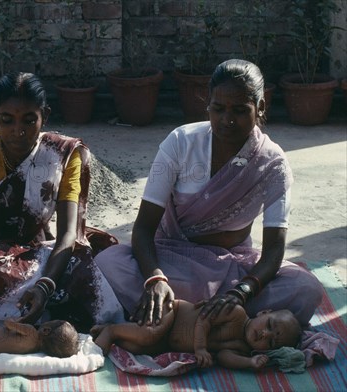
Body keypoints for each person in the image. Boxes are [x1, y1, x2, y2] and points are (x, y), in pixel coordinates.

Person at [94, 59, 323, 327]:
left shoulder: (273, 164)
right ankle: (223, 325)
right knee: (108, 262)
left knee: (306, 288)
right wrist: (155, 279)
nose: (227, 120)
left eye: (239, 110)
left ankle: (178, 322)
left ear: (260, 107)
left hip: (230, 270)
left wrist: (242, 292)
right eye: (218, 109)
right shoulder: (180, 143)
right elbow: (144, 228)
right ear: (208, 106)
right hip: (170, 259)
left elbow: (273, 249)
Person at [0, 72, 123, 336]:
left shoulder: (63, 155)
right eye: (7, 120)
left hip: (35, 254)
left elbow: (67, 234)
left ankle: (6, 316)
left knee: (81, 260)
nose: (18, 131)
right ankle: (32, 316)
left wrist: (44, 285)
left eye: (29, 121)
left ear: (45, 116)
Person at [90, 299, 302, 370]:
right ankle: (111, 331)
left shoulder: (244, 347)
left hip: (168, 343)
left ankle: (114, 329)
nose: (264, 334)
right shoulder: (236, 312)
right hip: (173, 314)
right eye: (269, 324)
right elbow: (203, 320)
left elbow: (223, 357)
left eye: (272, 341)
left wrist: (250, 362)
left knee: (137, 347)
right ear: (263, 313)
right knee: (148, 335)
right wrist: (200, 348)